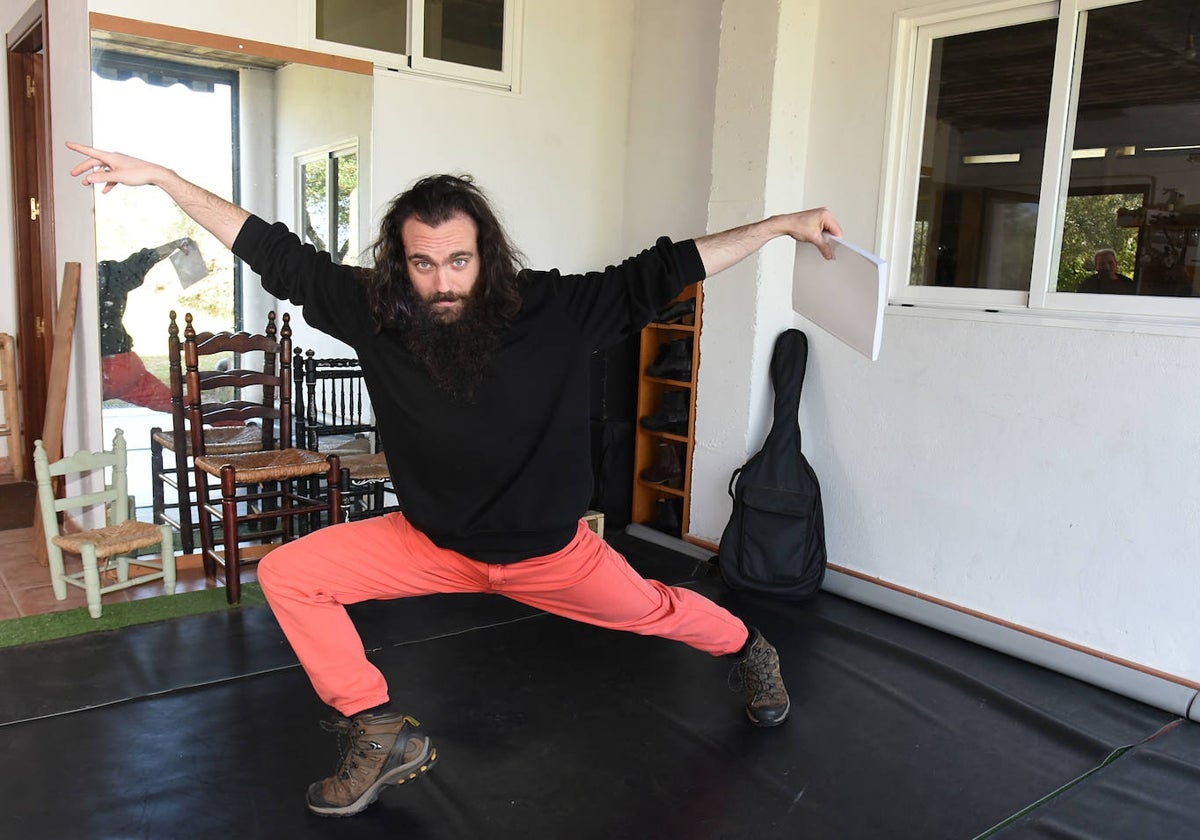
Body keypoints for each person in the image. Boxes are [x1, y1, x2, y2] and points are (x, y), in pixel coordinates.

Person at [67, 140, 843, 818]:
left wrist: (780, 226)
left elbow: (672, 266)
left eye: (459, 260)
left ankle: (751, 648)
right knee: (291, 573)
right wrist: (167, 179)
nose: (442, 281)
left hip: (551, 555)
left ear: (488, 255)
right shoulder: (378, 312)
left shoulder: (561, 308)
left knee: (661, 612)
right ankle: (378, 730)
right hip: (428, 543)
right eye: (424, 262)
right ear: (401, 263)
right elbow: (275, 253)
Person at [98, 238, 197, 412]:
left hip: (99, 371)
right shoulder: (109, 274)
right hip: (126, 366)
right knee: (177, 404)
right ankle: (239, 423)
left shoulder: (62, 282)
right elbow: (142, 261)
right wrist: (175, 244)